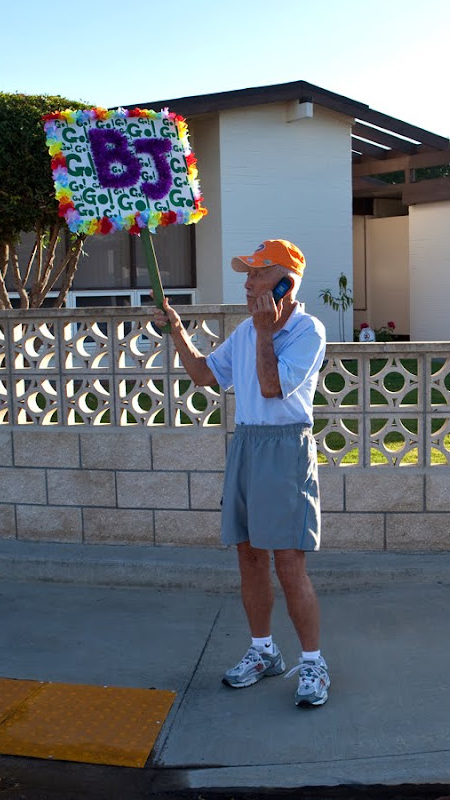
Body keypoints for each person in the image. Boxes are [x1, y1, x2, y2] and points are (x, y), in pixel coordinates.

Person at [152, 239, 329, 707]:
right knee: (249, 556)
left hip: (286, 446)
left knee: (288, 561)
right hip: (248, 442)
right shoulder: (248, 330)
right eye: (247, 274)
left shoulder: (308, 330)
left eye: (257, 274)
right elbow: (204, 375)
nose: (247, 283)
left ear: (285, 282)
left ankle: (313, 662)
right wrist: (176, 330)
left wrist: (265, 331)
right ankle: (263, 651)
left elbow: (272, 387)